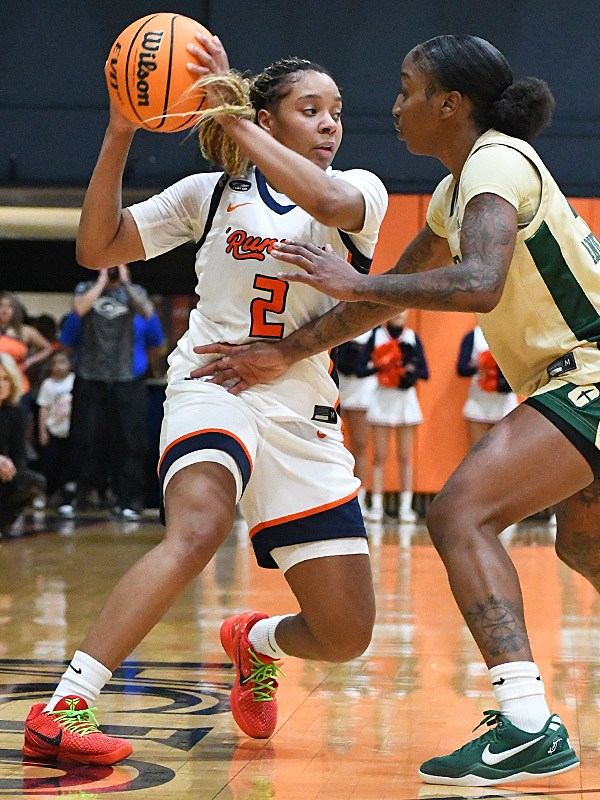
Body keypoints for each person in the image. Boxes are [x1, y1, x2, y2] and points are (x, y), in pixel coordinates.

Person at [193, 34, 596, 786]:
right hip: (570, 379)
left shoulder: (496, 162)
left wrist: (351, 287)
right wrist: (293, 347)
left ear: (450, 105)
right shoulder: (457, 190)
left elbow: (477, 283)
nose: (394, 106)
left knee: (459, 514)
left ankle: (526, 724)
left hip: (588, 373)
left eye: (407, 89)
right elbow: (377, 294)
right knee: (583, 545)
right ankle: (528, 724)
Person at [22, 34, 387, 765]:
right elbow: (97, 250)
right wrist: (119, 131)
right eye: (309, 109)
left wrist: (231, 117)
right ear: (270, 117)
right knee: (197, 528)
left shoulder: (361, 190)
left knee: (346, 635)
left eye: (335, 112)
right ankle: (66, 704)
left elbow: (323, 197)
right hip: (213, 386)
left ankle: (250, 639)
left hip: (301, 411)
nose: (329, 125)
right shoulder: (211, 194)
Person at [64, 265, 156, 519]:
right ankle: (82, 494)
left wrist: (125, 283)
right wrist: (102, 281)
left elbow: (147, 312)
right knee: (85, 437)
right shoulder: (85, 288)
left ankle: (128, 500)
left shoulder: (134, 291)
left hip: (126, 377)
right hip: (90, 375)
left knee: (129, 441)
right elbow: (80, 309)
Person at [364, 311, 428, 522]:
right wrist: (382, 367)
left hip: (405, 401)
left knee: (405, 456)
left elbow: (425, 372)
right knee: (379, 456)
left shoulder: (412, 337)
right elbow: (362, 366)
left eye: (404, 309)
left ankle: (405, 507)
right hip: (382, 399)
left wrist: (408, 371)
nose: (400, 313)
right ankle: (375, 505)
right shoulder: (377, 335)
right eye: (396, 309)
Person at [0, 353, 46, 536]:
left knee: (33, 482)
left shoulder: (16, 412)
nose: (1, 384)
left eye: (5, 379)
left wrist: (10, 469)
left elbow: (19, 453)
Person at [336, 332, 377, 514]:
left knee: (360, 446)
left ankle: (359, 497)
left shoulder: (376, 333)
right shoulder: (342, 325)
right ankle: (336, 495)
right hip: (338, 393)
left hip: (363, 396)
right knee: (336, 445)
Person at [458, 324, 518, 446]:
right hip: (478, 401)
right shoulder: (473, 336)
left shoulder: (512, 335)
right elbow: (461, 368)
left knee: (504, 453)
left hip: (505, 402)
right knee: (477, 452)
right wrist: (481, 367)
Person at [37, 350, 75, 507]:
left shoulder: (74, 381)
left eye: (63, 362)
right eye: (54, 363)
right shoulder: (48, 384)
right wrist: (42, 431)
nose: (58, 367)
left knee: (69, 467)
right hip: (53, 431)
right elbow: (43, 409)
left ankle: (68, 500)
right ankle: (45, 495)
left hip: (70, 433)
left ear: (70, 365)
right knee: (50, 465)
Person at [0, 292, 53, 400]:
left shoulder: (25, 331)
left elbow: (48, 348)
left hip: (18, 385)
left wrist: (29, 361)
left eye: (9, 306)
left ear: (15, 310)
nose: (4, 310)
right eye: (1, 305)